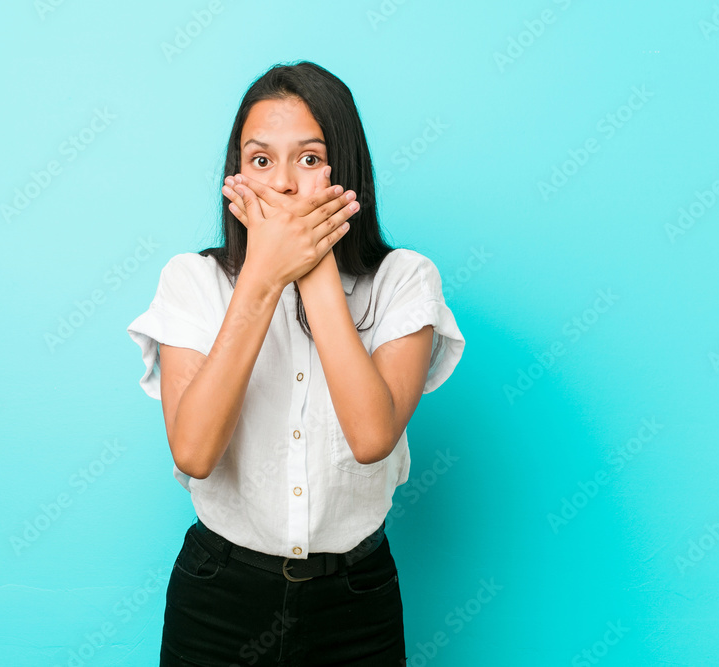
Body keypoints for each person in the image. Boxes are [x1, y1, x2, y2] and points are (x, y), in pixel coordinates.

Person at [126, 60, 464, 667]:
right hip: (218, 599)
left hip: (356, 604)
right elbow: (194, 453)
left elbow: (371, 436)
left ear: (346, 170)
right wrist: (261, 275)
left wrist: (311, 264)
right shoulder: (192, 281)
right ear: (237, 175)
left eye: (309, 159)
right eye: (261, 161)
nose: (282, 184)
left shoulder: (403, 280)